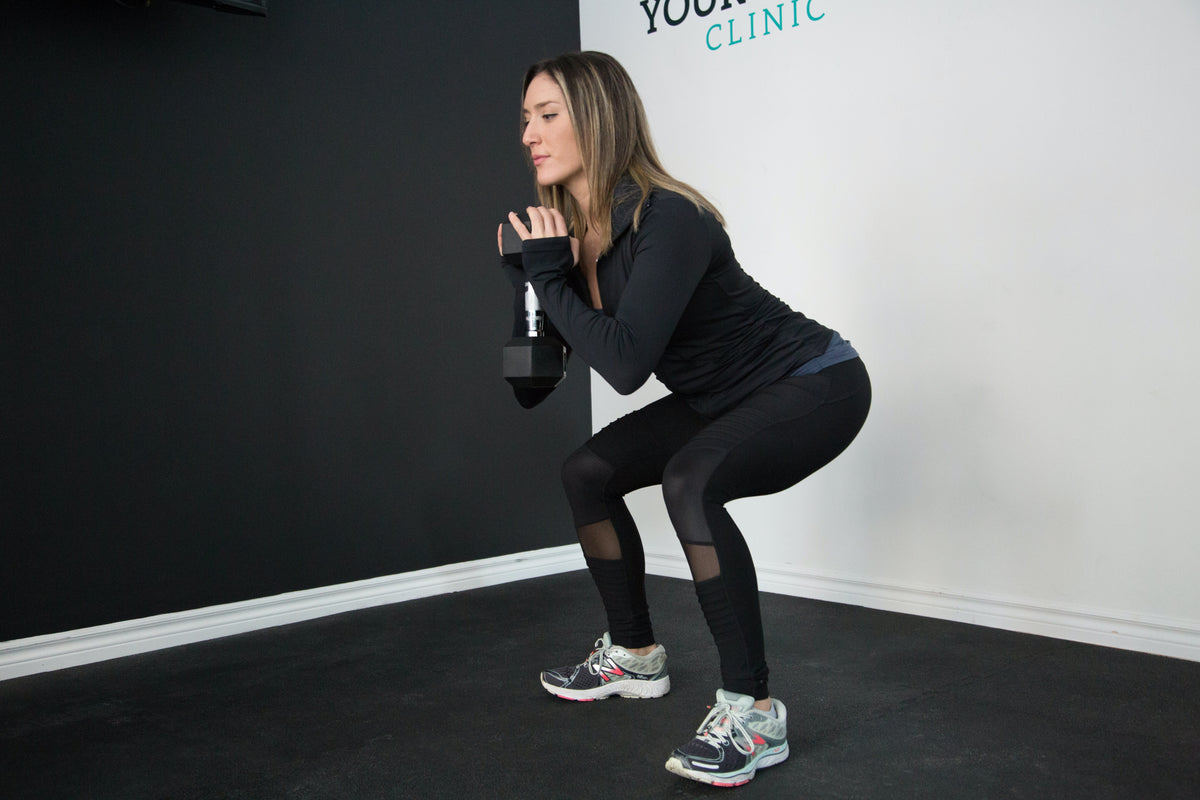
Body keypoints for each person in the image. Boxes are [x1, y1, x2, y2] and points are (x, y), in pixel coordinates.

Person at [495, 51, 871, 788]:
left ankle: (754, 713)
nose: (528, 135)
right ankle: (634, 654)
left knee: (690, 482)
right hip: (720, 394)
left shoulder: (672, 216)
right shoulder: (571, 238)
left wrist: (545, 273)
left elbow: (628, 364)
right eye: (525, 120)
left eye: (547, 116)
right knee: (587, 472)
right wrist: (529, 284)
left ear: (597, 119)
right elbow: (530, 389)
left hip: (813, 379)